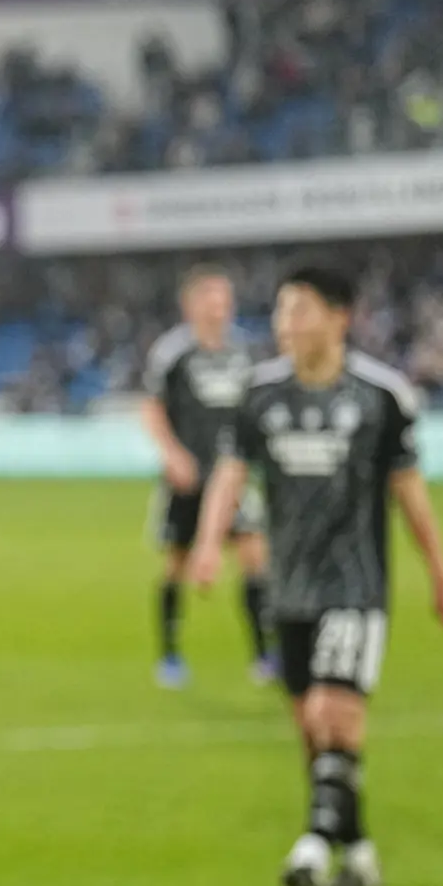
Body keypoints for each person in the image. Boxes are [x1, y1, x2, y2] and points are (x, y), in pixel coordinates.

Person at [192, 262, 443, 886]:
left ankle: (312, 848)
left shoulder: (380, 397)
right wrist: (207, 542)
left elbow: (409, 491)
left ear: (340, 317)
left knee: (331, 712)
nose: (285, 323)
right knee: (313, 732)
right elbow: (231, 473)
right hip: (289, 588)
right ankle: (359, 854)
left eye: (300, 309)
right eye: (281, 311)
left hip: (356, 586)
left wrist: (441, 573)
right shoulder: (260, 394)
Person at [140, 264, 274, 688]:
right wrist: (172, 454)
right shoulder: (172, 353)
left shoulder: (245, 351)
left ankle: (264, 654)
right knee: (176, 564)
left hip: (233, 476)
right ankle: (170, 655)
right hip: (188, 477)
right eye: (212, 299)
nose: (221, 308)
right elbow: (151, 407)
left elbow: (257, 408)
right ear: (192, 304)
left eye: (225, 299)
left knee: (254, 555)